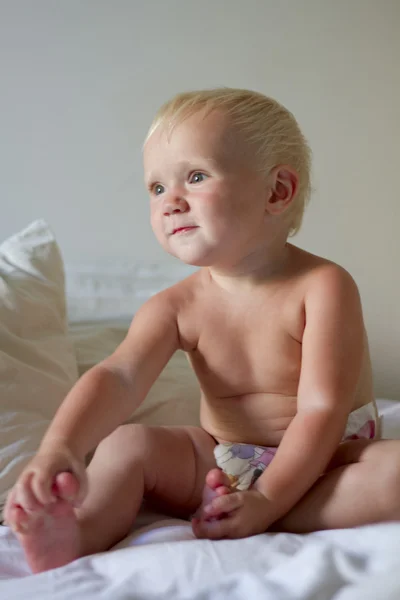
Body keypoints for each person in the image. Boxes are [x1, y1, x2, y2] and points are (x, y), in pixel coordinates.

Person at [4, 88, 400, 574]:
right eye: (155, 188)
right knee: (128, 445)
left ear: (277, 191)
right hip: (219, 462)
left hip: (325, 461)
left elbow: (322, 408)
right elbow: (119, 378)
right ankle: (78, 533)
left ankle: (266, 515)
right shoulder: (174, 306)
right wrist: (58, 449)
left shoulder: (322, 286)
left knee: (395, 472)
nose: (171, 201)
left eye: (195, 177)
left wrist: (269, 498)